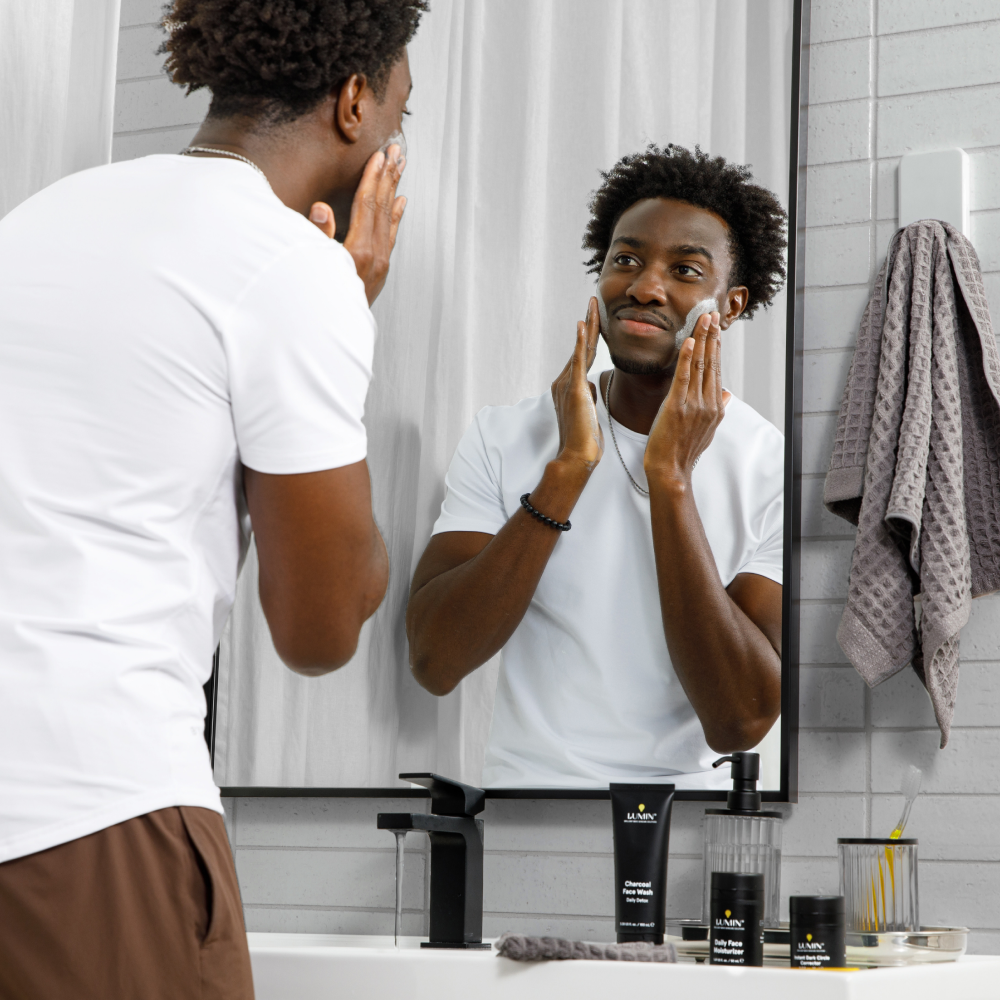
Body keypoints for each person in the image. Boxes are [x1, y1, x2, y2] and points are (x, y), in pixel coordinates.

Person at [0, 1, 427, 996]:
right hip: (95, 817)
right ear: (355, 103)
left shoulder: (36, 221)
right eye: (402, 115)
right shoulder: (289, 271)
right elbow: (318, 627)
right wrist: (343, 312)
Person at [406, 145, 788, 789]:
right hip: (529, 812)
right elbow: (435, 662)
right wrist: (568, 470)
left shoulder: (770, 464)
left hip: (695, 827)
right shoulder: (504, 436)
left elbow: (739, 720)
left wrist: (669, 478)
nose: (644, 287)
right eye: (627, 260)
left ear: (729, 304)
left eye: (686, 269)